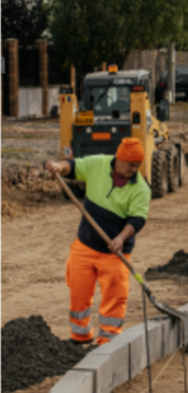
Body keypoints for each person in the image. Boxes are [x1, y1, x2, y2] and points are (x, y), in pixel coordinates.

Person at [43, 138, 151, 346]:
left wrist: (120, 238)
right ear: (119, 159)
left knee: (115, 297)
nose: (134, 170)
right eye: (131, 165)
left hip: (115, 254)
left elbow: (137, 220)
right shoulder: (98, 164)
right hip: (85, 245)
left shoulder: (140, 188)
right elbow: (73, 166)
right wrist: (58, 166)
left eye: (137, 165)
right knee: (78, 292)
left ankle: (108, 343)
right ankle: (80, 337)